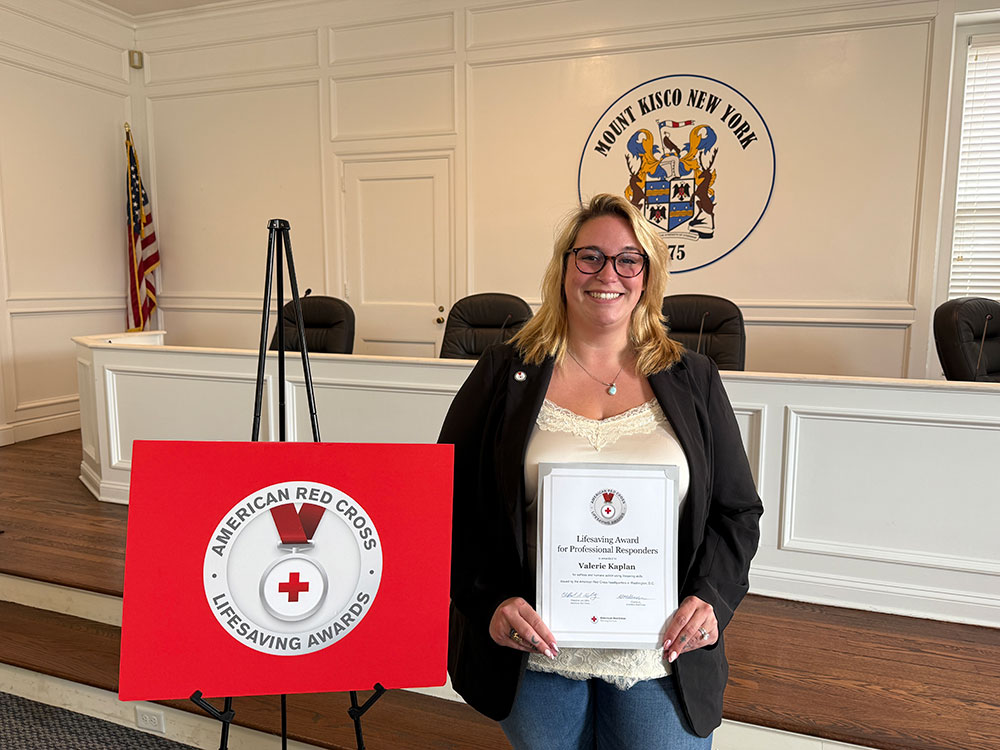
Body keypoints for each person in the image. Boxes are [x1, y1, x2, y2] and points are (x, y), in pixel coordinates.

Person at [439, 193, 762, 748]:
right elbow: (448, 500)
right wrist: (488, 601)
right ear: (564, 266)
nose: (607, 274)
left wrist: (710, 597)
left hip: (660, 654)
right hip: (535, 651)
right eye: (590, 256)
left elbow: (736, 510)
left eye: (628, 260)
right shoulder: (503, 371)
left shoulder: (694, 376)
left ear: (647, 276)